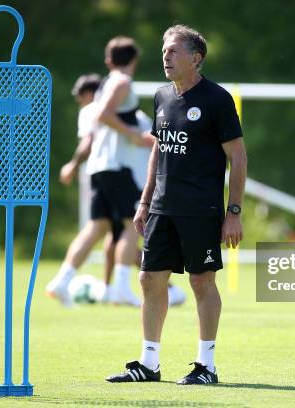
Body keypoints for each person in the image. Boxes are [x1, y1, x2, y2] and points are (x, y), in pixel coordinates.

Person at [107, 25, 247, 384]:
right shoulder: (161, 96)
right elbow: (158, 148)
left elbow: (239, 156)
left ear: (196, 59)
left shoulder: (217, 99)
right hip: (161, 208)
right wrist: (144, 201)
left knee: (202, 282)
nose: (165, 56)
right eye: (164, 50)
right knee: (149, 278)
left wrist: (233, 212)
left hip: (201, 209)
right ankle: (149, 364)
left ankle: (207, 366)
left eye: (174, 51)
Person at [46, 37, 151, 307]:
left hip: (99, 166)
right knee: (133, 224)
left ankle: (62, 281)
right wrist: (134, 135)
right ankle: (121, 288)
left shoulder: (105, 83)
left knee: (97, 227)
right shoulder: (121, 81)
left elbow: (98, 121)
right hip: (117, 165)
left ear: (108, 60)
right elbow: (103, 115)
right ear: (134, 61)